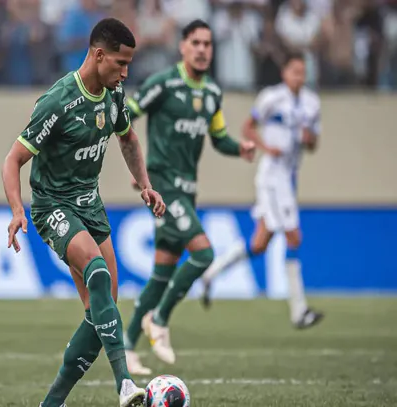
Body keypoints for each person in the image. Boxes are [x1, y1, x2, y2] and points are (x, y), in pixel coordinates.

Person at [1, 17, 166, 407]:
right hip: (52, 205)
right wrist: (16, 210)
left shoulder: (113, 96)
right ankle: (125, 383)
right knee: (97, 270)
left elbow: (127, 137)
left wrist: (145, 184)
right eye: (120, 64)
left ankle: (52, 403)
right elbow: (13, 159)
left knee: (101, 310)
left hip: (90, 205)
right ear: (98, 54)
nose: (125, 73)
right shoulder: (58, 101)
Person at [122, 19, 256, 374]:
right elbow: (126, 116)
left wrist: (239, 147)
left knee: (162, 272)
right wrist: (140, 174)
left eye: (207, 44)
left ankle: (126, 347)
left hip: (188, 192)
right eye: (195, 42)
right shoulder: (163, 84)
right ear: (182, 47)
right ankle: (160, 319)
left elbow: (219, 137)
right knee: (204, 254)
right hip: (164, 185)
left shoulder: (212, 92)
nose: (201, 49)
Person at [201, 52, 324, 330]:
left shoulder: (312, 104)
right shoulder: (271, 98)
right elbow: (248, 126)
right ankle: (299, 311)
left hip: (290, 176)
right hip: (272, 175)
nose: (298, 77)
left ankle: (211, 274)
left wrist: (309, 139)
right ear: (284, 73)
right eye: (294, 71)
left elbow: (314, 143)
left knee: (259, 244)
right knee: (294, 237)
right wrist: (267, 148)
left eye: (302, 73)